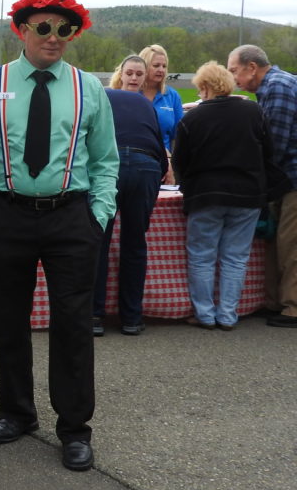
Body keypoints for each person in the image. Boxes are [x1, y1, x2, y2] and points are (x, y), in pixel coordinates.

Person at [0, 0, 116, 472]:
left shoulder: (90, 89)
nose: (54, 37)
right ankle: (16, 410)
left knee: (74, 327)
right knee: (8, 320)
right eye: (43, 27)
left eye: (64, 28)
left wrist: (98, 215)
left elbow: (106, 161)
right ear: (22, 27)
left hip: (70, 218)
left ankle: (74, 427)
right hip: (6, 215)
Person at [173, 61, 284, 329]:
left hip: (206, 195)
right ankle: (227, 315)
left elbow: (180, 163)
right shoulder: (253, 111)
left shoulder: (191, 119)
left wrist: (188, 186)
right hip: (247, 195)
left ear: (206, 87)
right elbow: (268, 152)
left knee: (202, 256)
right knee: (236, 257)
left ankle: (205, 314)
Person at [93, 55, 167, 336]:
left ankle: (94, 316)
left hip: (111, 167)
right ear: (122, 74)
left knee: (100, 241)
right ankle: (132, 318)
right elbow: (161, 150)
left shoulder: (104, 96)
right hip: (146, 167)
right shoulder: (147, 105)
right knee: (135, 243)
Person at [227, 45, 297, 327]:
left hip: (291, 178)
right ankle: (275, 303)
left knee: (290, 245)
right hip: (284, 180)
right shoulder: (272, 87)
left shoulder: (278, 88)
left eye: (234, 71)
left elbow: (274, 146)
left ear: (251, 67)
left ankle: (292, 308)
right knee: (278, 243)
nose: (234, 79)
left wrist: (250, 178)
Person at [139, 44, 183, 182]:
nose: (161, 70)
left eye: (164, 66)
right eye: (156, 65)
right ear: (144, 66)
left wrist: (174, 166)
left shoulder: (172, 96)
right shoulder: (131, 93)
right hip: (134, 162)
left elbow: (178, 136)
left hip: (163, 167)